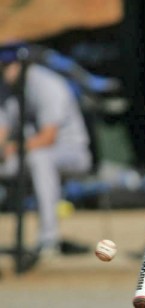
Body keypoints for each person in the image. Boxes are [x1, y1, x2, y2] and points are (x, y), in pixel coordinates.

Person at [0, 44, 93, 257]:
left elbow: (47, 137)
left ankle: (48, 240)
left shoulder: (47, 84)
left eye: (7, 65)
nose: (4, 70)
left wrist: (10, 148)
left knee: (40, 159)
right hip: (26, 154)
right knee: (34, 159)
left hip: (71, 152)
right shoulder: (5, 87)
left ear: (22, 64)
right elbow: (2, 132)